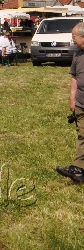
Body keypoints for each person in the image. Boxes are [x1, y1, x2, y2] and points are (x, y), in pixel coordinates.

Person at [56, 22, 84, 183]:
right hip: (81, 103)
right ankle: (78, 170)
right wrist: (72, 99)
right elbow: (74, 77)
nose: (72, 39)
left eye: (74, 37)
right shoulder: (77, 55)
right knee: (82, 135)